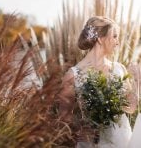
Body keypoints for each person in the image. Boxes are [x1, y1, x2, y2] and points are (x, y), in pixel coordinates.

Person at [58, 16, 138, 148]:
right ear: (100, 39)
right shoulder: (73, 75)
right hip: (91, 143)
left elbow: (130, 108)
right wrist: (78, 130)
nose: (118, 42)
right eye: (114, 36)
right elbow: (64, 117)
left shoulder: (119, 69)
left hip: (122, 140)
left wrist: (136, 82)